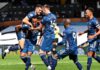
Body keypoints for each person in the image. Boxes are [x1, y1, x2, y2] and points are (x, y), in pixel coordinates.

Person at [33, 4, 57, 70]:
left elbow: (40, 28)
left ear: (46, 9)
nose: (42, 12)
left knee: (41, 52)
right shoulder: (54, 16)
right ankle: (51, 67)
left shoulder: (45, 18)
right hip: (52, 35)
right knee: (49, 52)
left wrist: (32, 29)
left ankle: (49, 67)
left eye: (43, 10)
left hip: (47, 36)